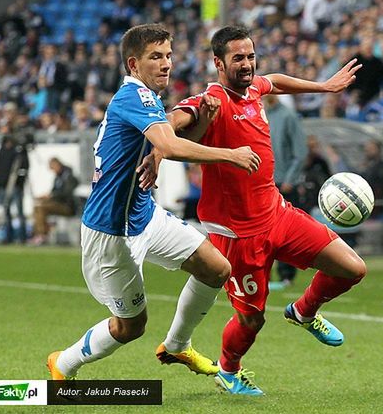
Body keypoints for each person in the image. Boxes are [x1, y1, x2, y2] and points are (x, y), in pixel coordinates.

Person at [46, 24, 261, 381]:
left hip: (143, 215)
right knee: (131, 327)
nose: (166, 64)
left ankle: (177, 345)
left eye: (169, 56)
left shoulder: (148, 98)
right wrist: (231, 155)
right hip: (111, 234)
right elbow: (173, 146)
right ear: (134, 64)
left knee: (216, 268)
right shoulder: (135, 97)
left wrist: (204, 121)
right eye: (156, 57)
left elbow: (170, 147)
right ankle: (64, 364)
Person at [168, 26, 366, 395]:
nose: (247, 65)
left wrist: (324, 87)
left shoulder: (254, 88)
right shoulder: (210, 100)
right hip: (237, 235)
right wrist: (162, 136)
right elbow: (173, 126)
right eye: (238, 59)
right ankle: (228, 371)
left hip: (278, 214)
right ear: (218, 63)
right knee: (251, 319)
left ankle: (305, 311)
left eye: (250, 56)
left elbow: (274, 81)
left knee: (353, 268)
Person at [264, 93, 308, 291]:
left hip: (284, 184)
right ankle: (264, 273)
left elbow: (300, 152)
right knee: (264, 233)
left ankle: (287, 275)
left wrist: (290, 179)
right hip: (265, 183)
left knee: (285, 233)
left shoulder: (288, 116)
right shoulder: (261, 114)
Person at [29, 157, 79, 245]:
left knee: (41, 208)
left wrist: (51, 196)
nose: (52, 170)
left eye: (52, 168)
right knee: (37, 206)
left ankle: (42, 235)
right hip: (58, 204)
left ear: (57, 165)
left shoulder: (68, 176)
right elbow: (54, 192)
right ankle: (38, 233)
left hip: (67, 206)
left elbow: (66, 193)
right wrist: (46, 197)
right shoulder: (58, 177)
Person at [0, 134, 29, 244]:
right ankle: (8, 236)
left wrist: (19, 183)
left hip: (15, 186)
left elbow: (23, 167)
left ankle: (22, 237)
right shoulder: (3, 152)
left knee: (19, 211)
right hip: (4, 185)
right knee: (7, 211)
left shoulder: (18, 153)